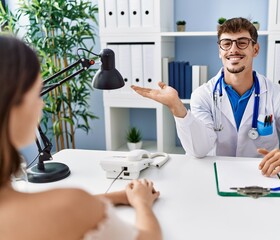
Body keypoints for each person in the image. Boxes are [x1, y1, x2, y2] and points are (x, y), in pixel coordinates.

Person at [0, 34, 162, 240]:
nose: (41, 103)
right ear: (11, 105)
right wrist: (142, 203)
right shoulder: (73, 205)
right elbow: (149, 237)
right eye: (36, 92)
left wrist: (116, 197)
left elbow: (51, 210)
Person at [132, 17, 280, 177]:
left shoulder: (276, 95)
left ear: (255, 49)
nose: (233, 49)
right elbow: (199, 150)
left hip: (262, 176)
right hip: (214, 176)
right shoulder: (203, 95)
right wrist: (177, 108)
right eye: (226, 44)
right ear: (220, 51)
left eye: (242, 43)